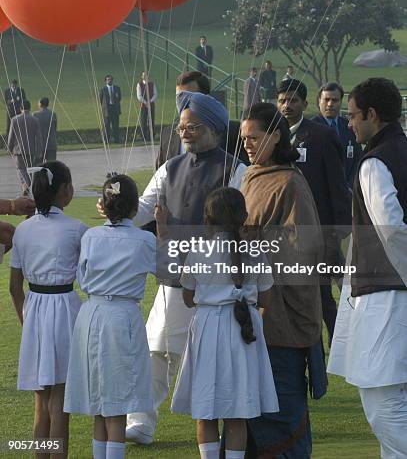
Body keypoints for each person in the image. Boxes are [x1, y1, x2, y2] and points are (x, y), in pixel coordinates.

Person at [124, 92, 247, 445]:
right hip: (173, 280)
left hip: (216, 286)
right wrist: (117, 209)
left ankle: (222, 424)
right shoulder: (170, 167)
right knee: (154, 349)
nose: (185, 132)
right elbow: (144, 207)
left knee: (209, 355)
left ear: (214, 129)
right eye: (181, 127)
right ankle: (142, 422)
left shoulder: (235, 169)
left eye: (193, 126)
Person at [162, 187, 279, 459]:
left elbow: (189, 297)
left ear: (207, 219)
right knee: (237, 412)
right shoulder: (255, 251)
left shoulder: (198, 251)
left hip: (209, 328)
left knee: (206, 411)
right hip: (243, 329)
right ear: (243, 217)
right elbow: (266, 298)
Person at [240, 103, 325, 458]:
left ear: (275, 136)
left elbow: (305, 248)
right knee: (248, 419)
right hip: (253, 315)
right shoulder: (250, 175)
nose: (246, 144)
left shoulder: (290, 182)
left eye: (254, 137)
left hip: (281, 320)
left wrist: (251, 245)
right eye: (243, 138)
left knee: (281, 418)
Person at [328, 78, 407, 459]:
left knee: (382, 405)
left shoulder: (375, 163)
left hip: (387, 294)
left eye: (353, 115)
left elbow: (392, 231)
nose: (350, 124)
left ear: (372, 115)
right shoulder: (403, 149)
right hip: (389, 291)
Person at [64, 175, 156, 459]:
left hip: (91, 313)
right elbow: (167, 270)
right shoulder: (145, 239)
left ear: (104, 205)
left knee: (100, 401)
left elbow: (82, 274)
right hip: (121, 315)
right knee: (116, 402)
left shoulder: (91, 235)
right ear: (133, 208)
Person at [9, 162, 87, 459]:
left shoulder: (23, 230)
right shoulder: (76, 229)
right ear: (66, 190)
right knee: (59, 398)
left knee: (41, 401)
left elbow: (15, 287)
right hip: (64, 308)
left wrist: (25, 319)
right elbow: (87, 277)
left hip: (35, 310)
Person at [277, 79, 352, 346]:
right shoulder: (271, 136)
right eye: (283, 100)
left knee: (324, 291)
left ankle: (341, 340)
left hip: (320, 230)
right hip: (284, 235)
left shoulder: (321, 135)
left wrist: (338, 229)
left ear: (305, 104)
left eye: (293, 100)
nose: (287, 105)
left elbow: (337, 184)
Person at [156, 71, 248, 167]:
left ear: (206, 98)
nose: (182, 103)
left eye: (190, 97)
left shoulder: (233, 133)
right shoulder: (167, 135)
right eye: (179, 98)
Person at [312, 82, 362, 188]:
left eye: (334, 100)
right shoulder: (310, 129)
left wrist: (349, 186)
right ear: (319, 101)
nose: (330, 104)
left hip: (349, 191)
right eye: (326, 100)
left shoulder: (349, 126)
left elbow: (357, 158)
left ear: (340, 102)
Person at [8, 100, 43, 195]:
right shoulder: (35, 120)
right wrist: (39, 150)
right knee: (30, 168)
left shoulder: (14, 119)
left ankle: (25, 184)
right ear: (30, 108)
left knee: (21, 169)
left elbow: (11, 136)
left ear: (20, 108)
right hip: (31, 150)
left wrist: (9, 148)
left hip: (18, 150)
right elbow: (38, 137)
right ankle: (27, 184)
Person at [33, 97, 58, 162]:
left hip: (39, 145)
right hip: (51, 143)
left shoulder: (35, 115)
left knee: (38, 166)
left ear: (40, 104)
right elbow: (55, 128)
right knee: (51, 166)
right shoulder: (53, 114)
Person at [99, 74, 121, 144]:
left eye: (111, 79)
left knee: (116, 126)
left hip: (115, 109)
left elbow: (119, 98)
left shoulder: (117, 88)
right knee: (106, 126)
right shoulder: (103, 89)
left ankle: (116, 140)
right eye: (108, 79)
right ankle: (106, 141)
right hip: (107, 110)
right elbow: (100, 99)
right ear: (105, 81)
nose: (109, 81)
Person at [136, 71, 157, 141]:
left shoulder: (152, 84)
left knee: (151, 121)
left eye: (146, 75)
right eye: (144, 75)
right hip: (143, 106)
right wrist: (145, 102)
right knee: (143, 121)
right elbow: (139, 96)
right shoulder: (139, 84)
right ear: (142, 77)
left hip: (151, 105)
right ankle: (144, 137)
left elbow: (155, 94)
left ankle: (151, 136)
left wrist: (150, 101)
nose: (145, 76)